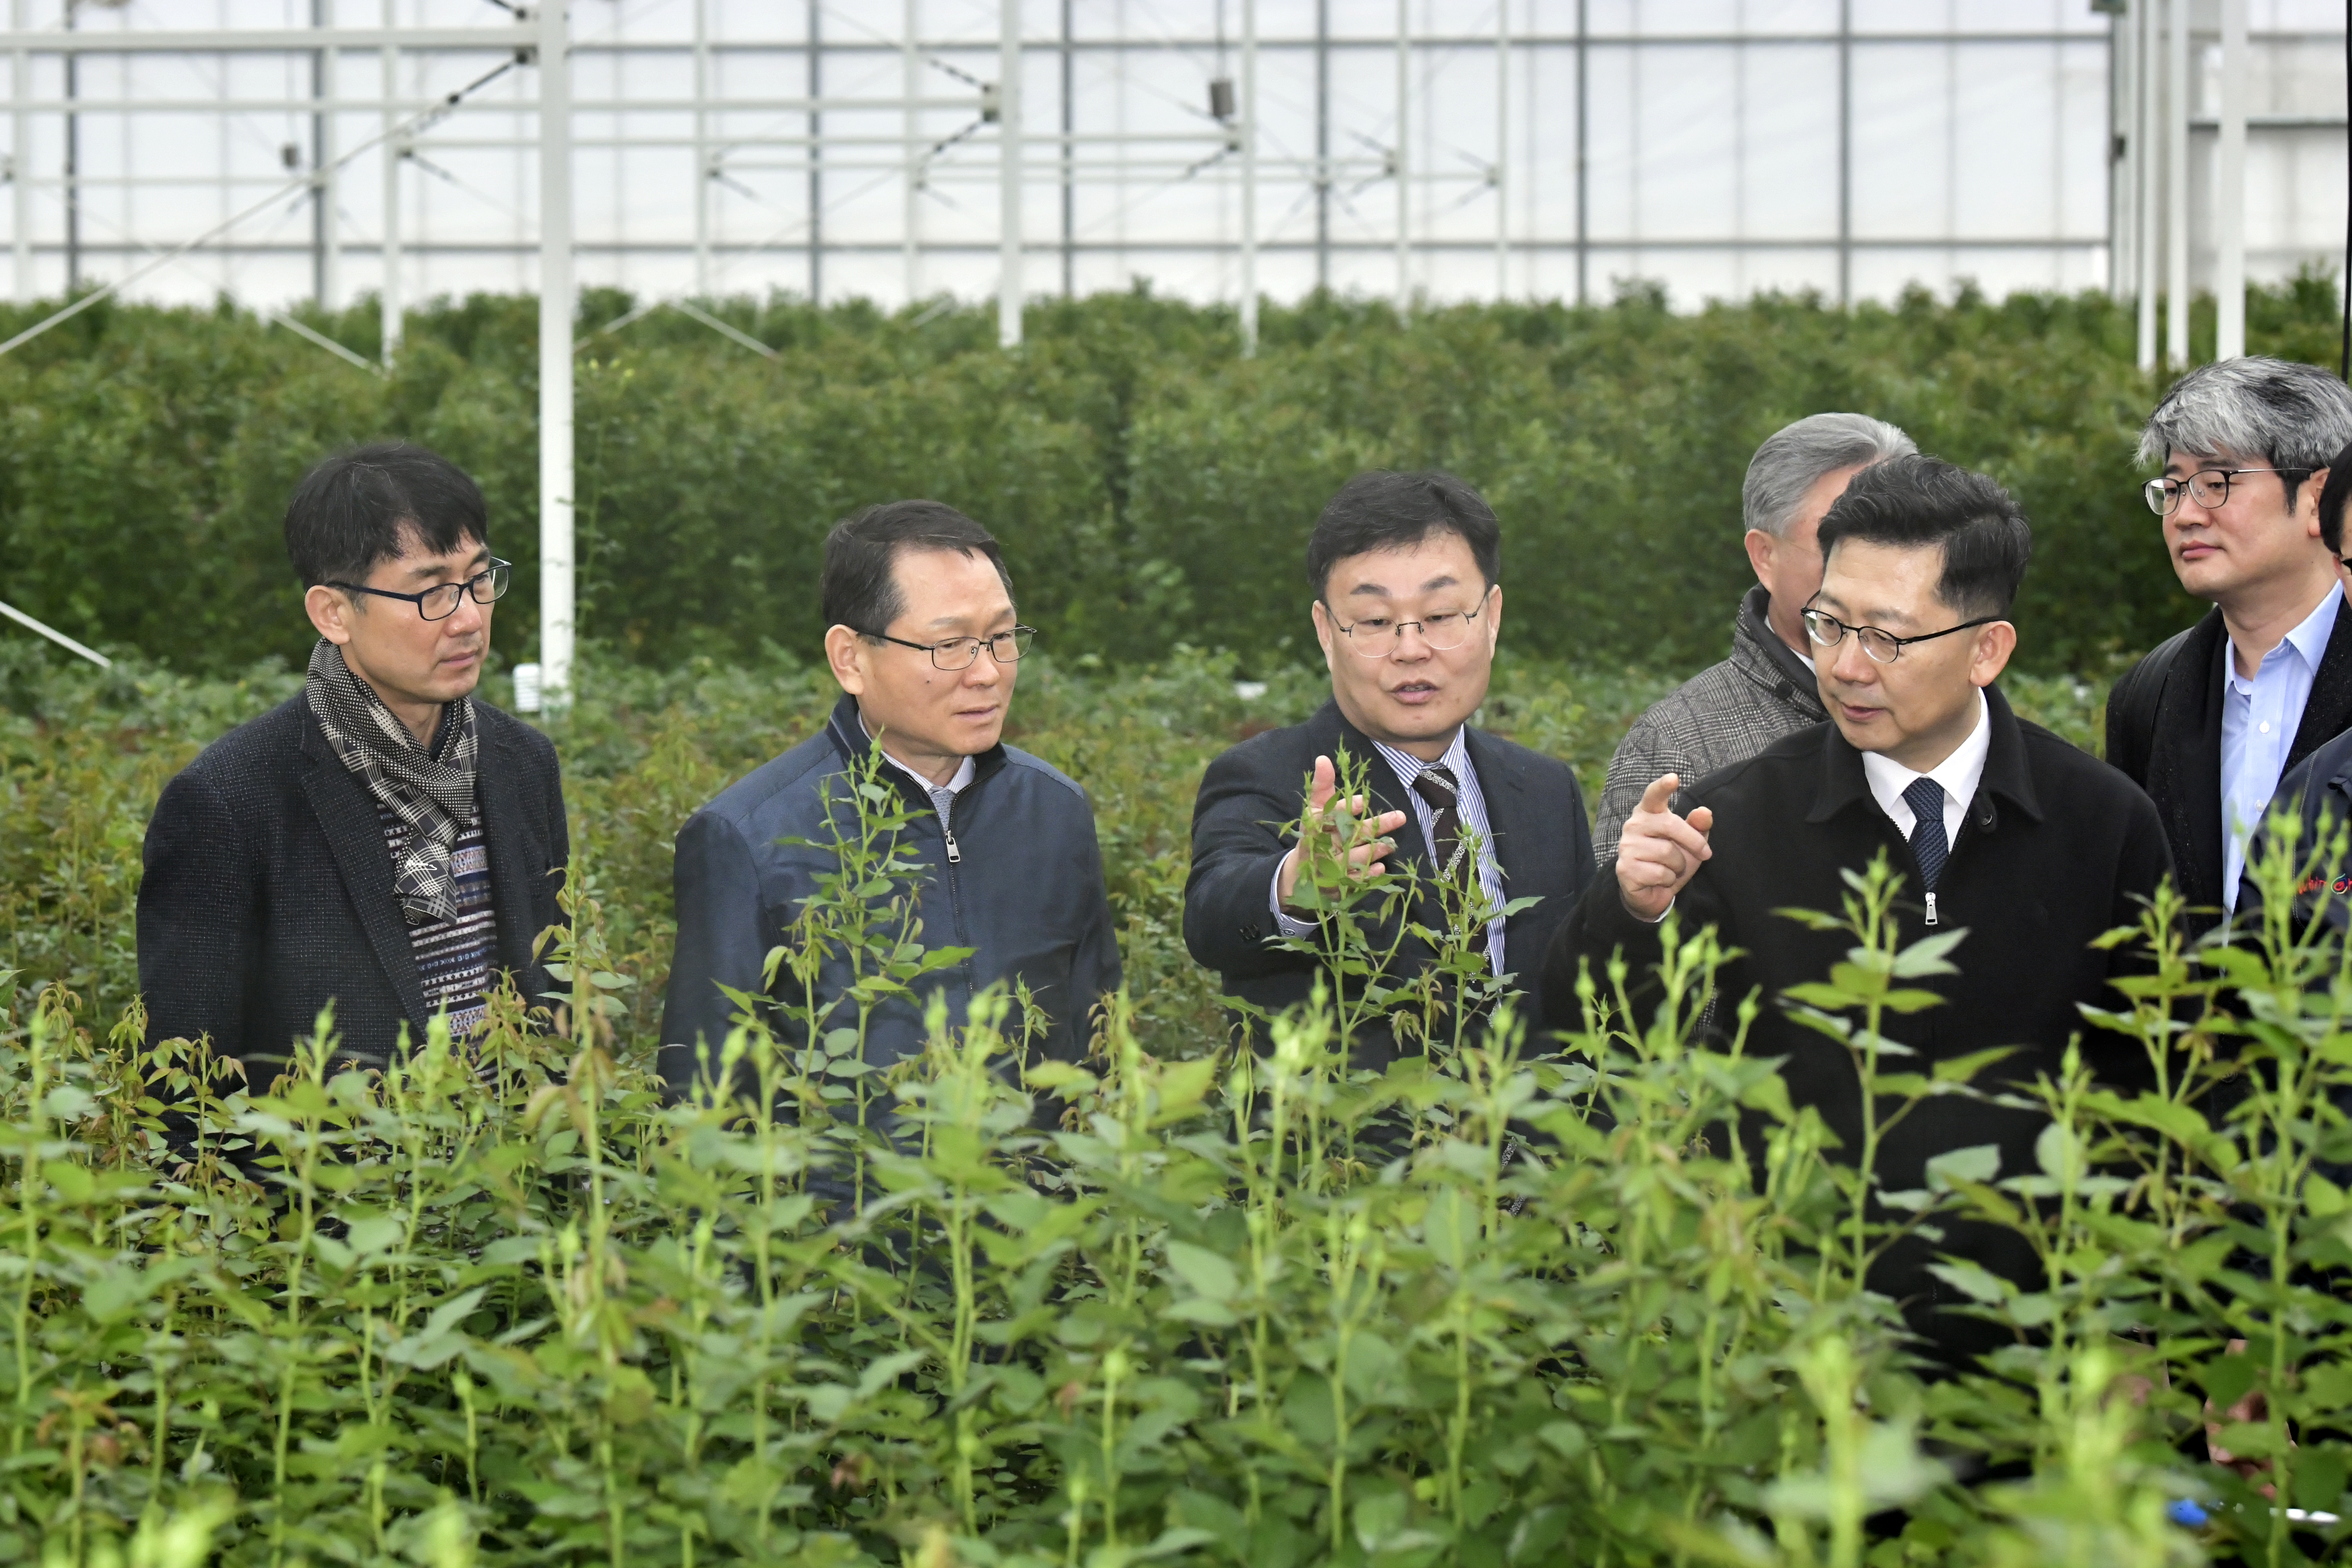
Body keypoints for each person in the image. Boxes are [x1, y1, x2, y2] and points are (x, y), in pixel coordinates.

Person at [1545, 455, 2170, 1364]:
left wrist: (2135, 1334)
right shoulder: (1736, 817)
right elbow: (1590, 1041)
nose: (1843, 666)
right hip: (1796, 1339)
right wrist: (1631, 910)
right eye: (1827, 623)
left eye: (1885, 637)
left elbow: (2154, 1086)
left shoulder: (2100, 822)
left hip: (2035, 1348)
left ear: (1986, 649)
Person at [659, 500, 1120, 1100]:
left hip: (1029, 1192)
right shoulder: (747, 838)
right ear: (849, 658)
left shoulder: (1053, 812)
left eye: (1001, 637)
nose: (986, 673)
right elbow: (706, 1098)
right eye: (949, 645)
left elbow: (1098, 1043)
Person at [138, 442, 569, 1080]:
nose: (469, 618)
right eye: (431, 593)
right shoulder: (231, 803)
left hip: (512, 1172)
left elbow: (553, 995)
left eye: (479, 580)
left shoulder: (520, 763)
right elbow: (182, 1089)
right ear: (334, 613)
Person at [1183, 470, 1593, 1056]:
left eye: (1440, 616)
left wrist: (1638, 907)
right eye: (1375, 622)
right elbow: (1214, 919)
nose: (1410, 649)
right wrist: (1293, 888)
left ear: (1492, 616)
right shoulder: (1264, 776)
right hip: (1350, 1143)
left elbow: (1577, 996)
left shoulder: (1546, 789)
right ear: (1326, 632)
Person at [1593, 412, 1916, 863]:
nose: (1872, 568)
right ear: (1764, 557)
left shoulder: (1957, 709)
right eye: (1838, 542)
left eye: (1899, 539)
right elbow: (1616, 927)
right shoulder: (1678, 746)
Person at [2106, 356, 2352, 929]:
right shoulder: (2148, 694)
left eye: (2215, 483)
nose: (2184, 514)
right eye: (2171, 488)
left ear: (2318, 497)